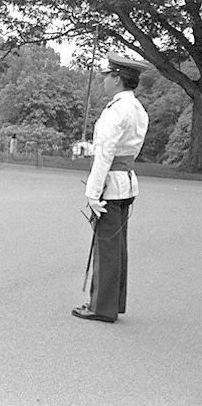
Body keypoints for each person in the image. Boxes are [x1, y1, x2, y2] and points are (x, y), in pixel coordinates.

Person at [72, 52, 150, 323]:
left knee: (107, 248)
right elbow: (121, 150)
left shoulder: (114, 110)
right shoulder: (138, 109)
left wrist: (92, 193)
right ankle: (112, 303)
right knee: (117, 248)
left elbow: (105, 157)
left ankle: (101, 308)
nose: (104, 80)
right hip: (126, 182)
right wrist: (90, 148)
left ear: (117, 78)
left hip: (110, 187)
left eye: (107, 76)